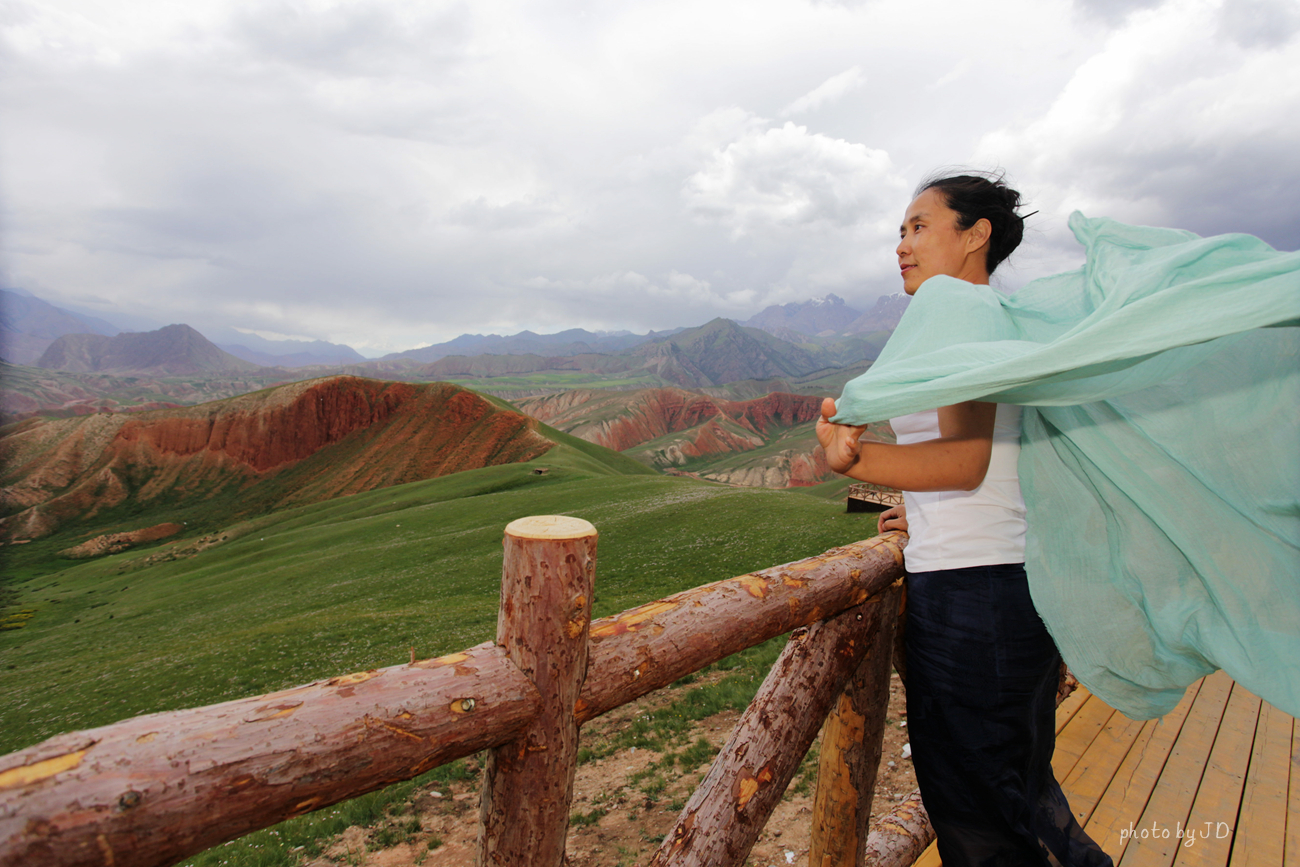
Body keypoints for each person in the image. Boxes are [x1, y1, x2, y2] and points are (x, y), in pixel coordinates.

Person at [816, 173, 1114, 866]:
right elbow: (1006, 459)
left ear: (976, 233)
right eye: (900, 229)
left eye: (920, 226)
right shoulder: (993, 313)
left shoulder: (957, 311)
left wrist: (850, 460)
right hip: (1011, 589)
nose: (902, 244)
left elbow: (963, 462)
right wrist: (920, 513)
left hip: (972, 605)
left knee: (979, 822)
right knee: (1022, 796)